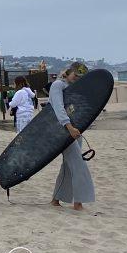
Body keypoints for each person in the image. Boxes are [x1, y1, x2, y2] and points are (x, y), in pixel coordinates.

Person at [49, 62, 94, 210]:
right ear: (68, 72)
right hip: (63, 130)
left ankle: (56, 199)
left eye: (80, 77)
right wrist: (68, 127)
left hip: (75, 130)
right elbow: (58, 108)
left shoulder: (74, 88)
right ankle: (79, 202)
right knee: (77, 163)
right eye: (75, 75)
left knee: (68, 165)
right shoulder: (57, 85)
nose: (77, 78)